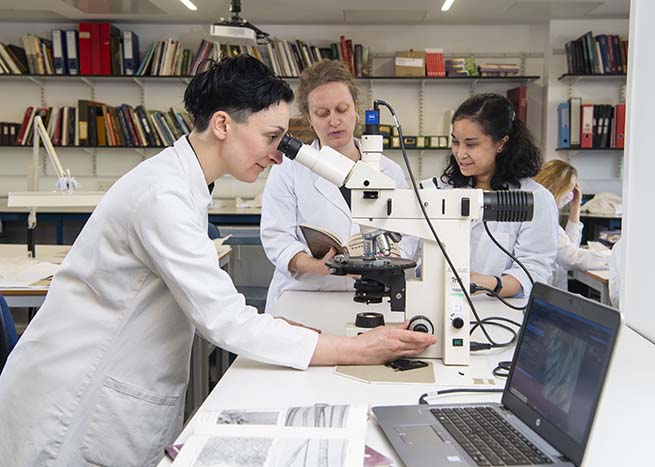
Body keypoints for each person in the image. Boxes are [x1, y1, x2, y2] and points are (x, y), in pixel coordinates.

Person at [0, 56, 435, 467]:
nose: (280, 154)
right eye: (271, 137)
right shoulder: (162, 195)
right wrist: (359, 348)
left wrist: (292, 332)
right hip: (74, 400)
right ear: (223, 124)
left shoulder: (185, 183)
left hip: (113, 391)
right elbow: (223, 320)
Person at [261, 59, 419, 313]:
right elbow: (276, 237)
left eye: (342, 109)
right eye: (322, 114)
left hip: (375, 295)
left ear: (357, 110)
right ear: (310, 120)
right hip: (306, 296)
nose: (334, 120)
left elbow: (409, 234)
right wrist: (316, 265)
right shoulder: (288, 170)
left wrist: (389, 258)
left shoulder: (388, 171)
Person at [440, 93, 558, 297]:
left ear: (501, 143)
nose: (460, 153)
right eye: (455, 142)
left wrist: (489, 284)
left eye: (471, 144)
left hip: (500, 311)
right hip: (443, 302)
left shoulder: (536, 199)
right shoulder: (443, 190)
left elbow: (533, 270)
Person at [533, 160, 610, 290]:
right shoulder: (540, 215)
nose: (571, 194)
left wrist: (575, 208)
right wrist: (614, 259)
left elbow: (568, 247)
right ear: (558, 186)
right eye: (570, 188)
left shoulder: (546, 211)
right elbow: (571, 258)